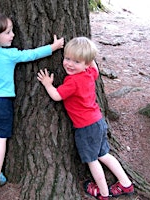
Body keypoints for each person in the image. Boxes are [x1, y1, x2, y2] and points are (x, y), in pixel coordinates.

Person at [0, 12, 64, 186]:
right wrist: (53, 48)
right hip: (2, 103)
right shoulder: (9, 55)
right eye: (8, 32)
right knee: (0, 138)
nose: (13, 35)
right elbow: (31, 54)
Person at [37, 37, 134, 199]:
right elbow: (94, 67)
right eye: (67, 58)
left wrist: (48, 84)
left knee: (92, 160)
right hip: (98, 122)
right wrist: (87, 56)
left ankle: (103, 193)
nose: (69, 64)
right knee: (104, 155)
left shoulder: (73, 82)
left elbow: (57, 96)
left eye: (76, 61)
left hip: (86, 128)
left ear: (86, 64)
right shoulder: (89, 73)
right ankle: (126, 184)